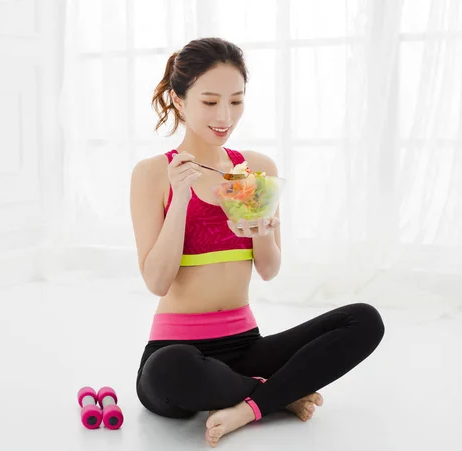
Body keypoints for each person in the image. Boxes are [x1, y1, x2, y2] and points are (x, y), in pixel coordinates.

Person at [129, 37, 384, 448]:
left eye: (236, 100)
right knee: (167, 370)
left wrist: (263, 230)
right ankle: (279, 393)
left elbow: (268, 270)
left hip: (246, 345)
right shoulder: (152, 174)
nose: (224, 115)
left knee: (364, 319)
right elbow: (157, 282)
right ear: (179, 100)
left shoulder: (257, 169)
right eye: (210, 102)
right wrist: (180, 199)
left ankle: (249, 405)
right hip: (177, 349)